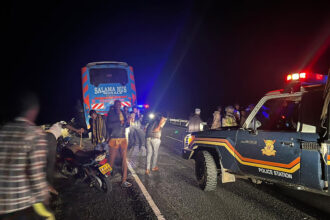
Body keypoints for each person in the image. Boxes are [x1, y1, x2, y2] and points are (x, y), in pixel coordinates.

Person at [0, 92, 55, 219]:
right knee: (49, 216)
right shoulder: (35, 133)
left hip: (2, 205)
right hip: (22, 204)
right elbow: (35, 172)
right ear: (34, 110)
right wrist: (44, 195)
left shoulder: (3, 131)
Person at [45, 121, 84, 195]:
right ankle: (48, 186)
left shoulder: (52, 124)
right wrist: (76, 130)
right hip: (51, 137)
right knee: (51, 162)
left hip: (46, 137)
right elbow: (66, 125)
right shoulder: (58, 121)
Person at [106, 100, 132, 188]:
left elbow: (125, 125)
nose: (118, 105)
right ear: (114, 105)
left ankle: (124, 180)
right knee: (111, 160)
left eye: (119, 104)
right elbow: (108, 125)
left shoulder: (123, 113)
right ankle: (105, 176)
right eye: (117, 104)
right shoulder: (111, 113)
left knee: (124, 159)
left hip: (123, 138)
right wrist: (119, 123)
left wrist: (127, 122)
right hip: (114, 138)